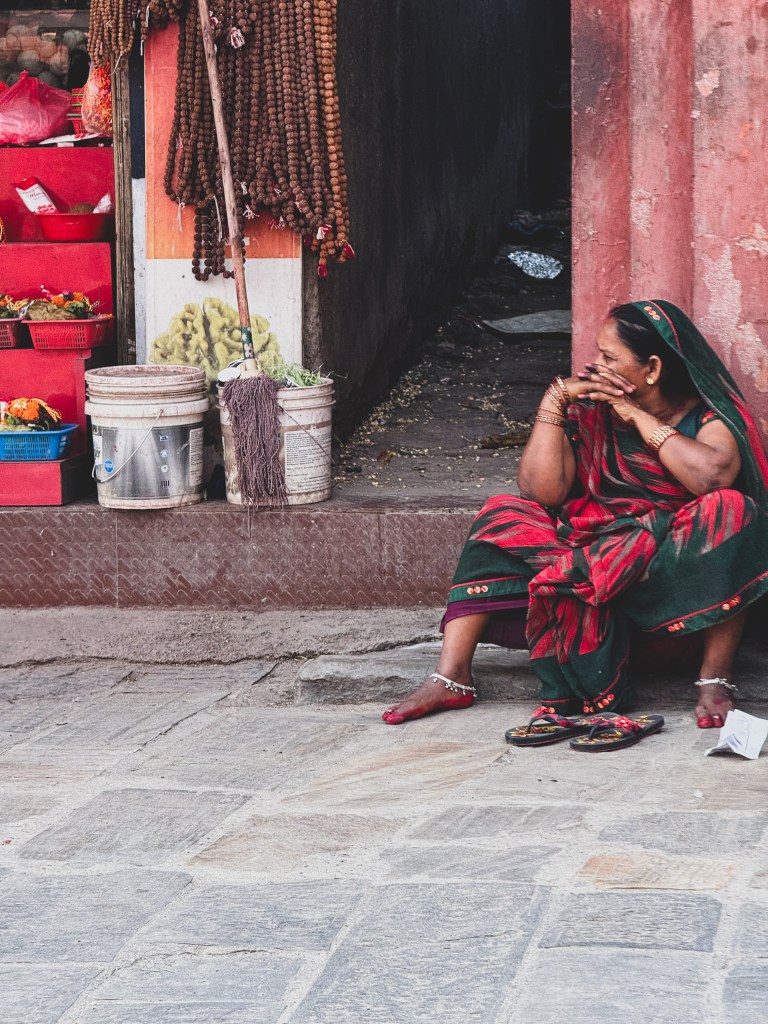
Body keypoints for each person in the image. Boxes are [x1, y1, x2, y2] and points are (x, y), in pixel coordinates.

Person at [382, 300, 768, 731]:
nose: (596, 364)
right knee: (503, 513)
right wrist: (554, 400)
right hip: (589, 567)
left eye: (609, 357)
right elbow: (540, 491)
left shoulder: (707, 418)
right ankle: (451, 675)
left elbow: (713, 478)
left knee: (732, 511)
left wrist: (637, 417)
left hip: (666, 595)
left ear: (652, 369)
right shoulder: (591, 412)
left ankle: (714, 678)